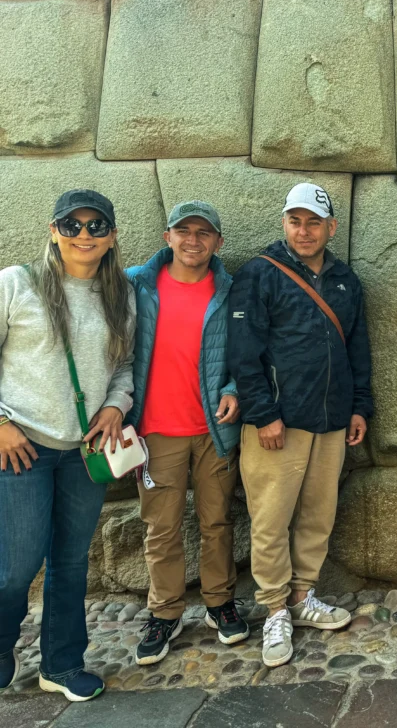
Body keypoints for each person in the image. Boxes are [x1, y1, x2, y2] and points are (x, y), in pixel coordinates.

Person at [229, 183, 372, 667]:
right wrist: (263, 413)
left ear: (331, 227)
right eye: (295, 221)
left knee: (317, 514)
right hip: (278, 424)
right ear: (284, 223)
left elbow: (357, 350)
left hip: (331, 420)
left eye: (314, 222)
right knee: (270, 517)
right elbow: (243, 353)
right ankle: (273, 608)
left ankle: (302, 596)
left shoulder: (346, 282)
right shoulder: (258, 275)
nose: (304, 231)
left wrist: (359, 406)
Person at [0, 190, 135, 701]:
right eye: (72, 225)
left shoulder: (121, 295)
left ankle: (60, 663)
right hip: (22, 448)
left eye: (96, 226)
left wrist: (115, 406)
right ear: (54, 230)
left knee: (71, 561)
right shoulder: (17, 284)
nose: (84, 235)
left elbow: (125, 367)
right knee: (15, 567)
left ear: (112, 235)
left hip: (84, 452)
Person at [126, 201, 247, 667]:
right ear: (167, 236)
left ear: (218, 242)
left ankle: (219, 603)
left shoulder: (230, 291)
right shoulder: (137, 285)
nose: (193, 240)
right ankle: (165, 612)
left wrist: (235, 389)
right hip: (156, 432)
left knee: (217, 521)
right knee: (162, 527)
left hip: (214, 431)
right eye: (184, 231)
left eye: (203, 233)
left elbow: (248, 352)